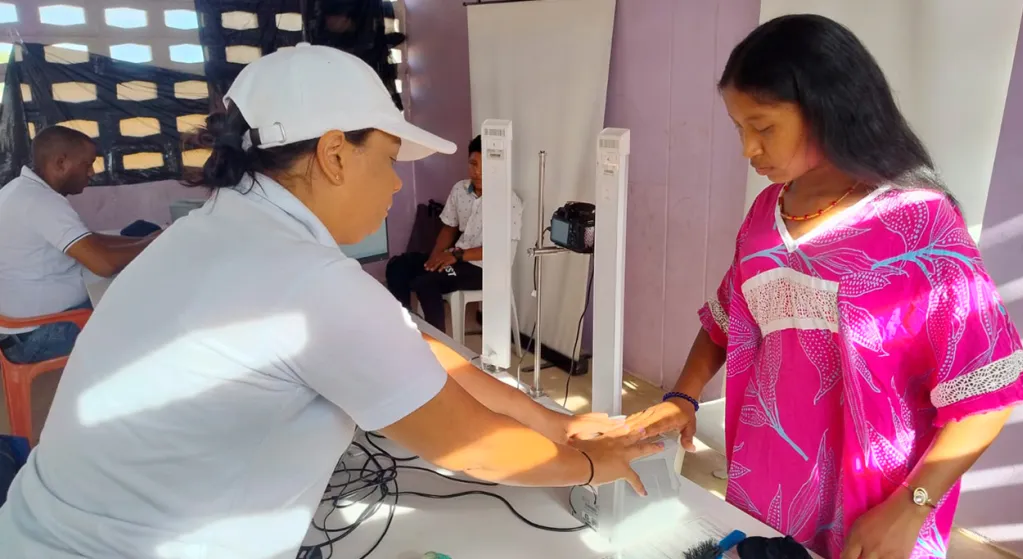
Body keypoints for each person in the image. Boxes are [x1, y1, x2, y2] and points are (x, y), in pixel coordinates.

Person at [0, 44, 656, 559]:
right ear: (335, 154)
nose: (396, 185)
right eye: (390, 159)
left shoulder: (208, 231)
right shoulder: (307, 279)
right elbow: (472, 447)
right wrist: (593, 465)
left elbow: (419, 347)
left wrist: (553, 423)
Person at [623, 15, 1023, 559]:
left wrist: (911, 506)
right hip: (766, 491)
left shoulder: (918, 224)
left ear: (827, 108)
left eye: (764, 127)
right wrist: (683, 397)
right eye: (739, 127)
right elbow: (728, 318)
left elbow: (987, 388)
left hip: (878, 510)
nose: (748, 149)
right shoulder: (764, 216)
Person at [0, 126, 158, 364]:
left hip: (29, 329)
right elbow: (103, 264)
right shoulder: (40, 201)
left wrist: (145, 241)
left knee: (138, 241)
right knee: (150, 313)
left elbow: (88, 240)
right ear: (61, 163)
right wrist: (157, 244)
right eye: (88, 164)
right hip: (39, 335)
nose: (92, 172)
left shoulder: (22, 190)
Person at [386, 135, 523, 330]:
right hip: (458, 258)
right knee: (397, 266)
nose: (477, 171)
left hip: (485, 269)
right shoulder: (460, 189)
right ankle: (405, 327)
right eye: (473, 164)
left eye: (484, 165)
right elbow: (449, 227)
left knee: (425, 283)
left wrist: (456, 256)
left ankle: (438, 343)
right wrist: (435, 257)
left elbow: (499, 250)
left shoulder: (508, 201)